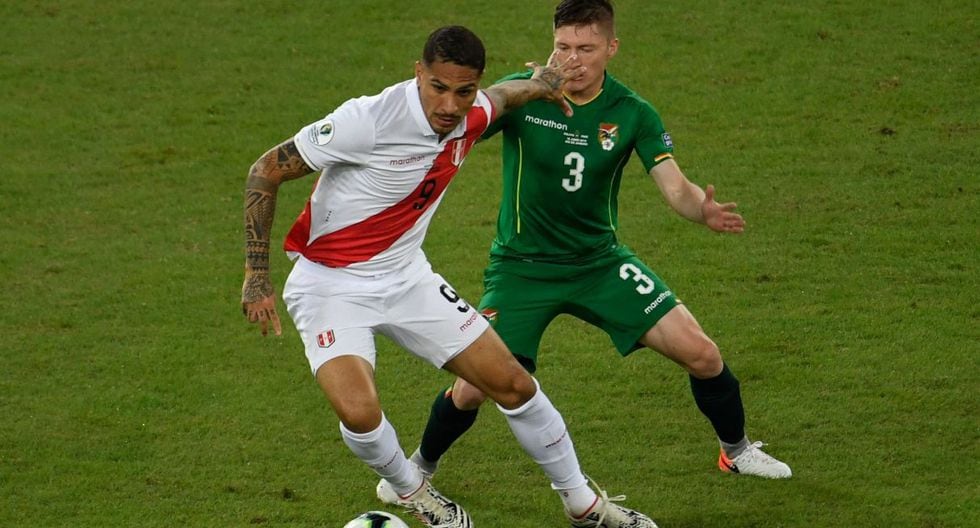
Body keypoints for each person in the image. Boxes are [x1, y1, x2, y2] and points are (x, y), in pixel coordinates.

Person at [242, 26, 658, 528]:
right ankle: (413, 491)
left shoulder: (472, 112)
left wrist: (545, 81)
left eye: (463, 91)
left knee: (514, 385)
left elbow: (503, 97)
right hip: (331, 285)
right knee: (358, 411)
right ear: (418, 73)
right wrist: (257, 273)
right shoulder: (366, 121)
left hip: (407, 278)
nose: (449, 104)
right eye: (438, 87)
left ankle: (584, 506)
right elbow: (266, 168)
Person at [382, 0, 793, 493]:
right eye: (562, 47)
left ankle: (738, 451)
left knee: (702, 354)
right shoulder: (524, 94)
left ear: (611, 48)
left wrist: (700, 211)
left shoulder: (632, 112)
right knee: (475, 386)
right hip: (521, 269)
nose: (570, 60)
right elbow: (452, 125)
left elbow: (677, 189)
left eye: (585, 48)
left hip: (598, 262)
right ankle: (418, 470)